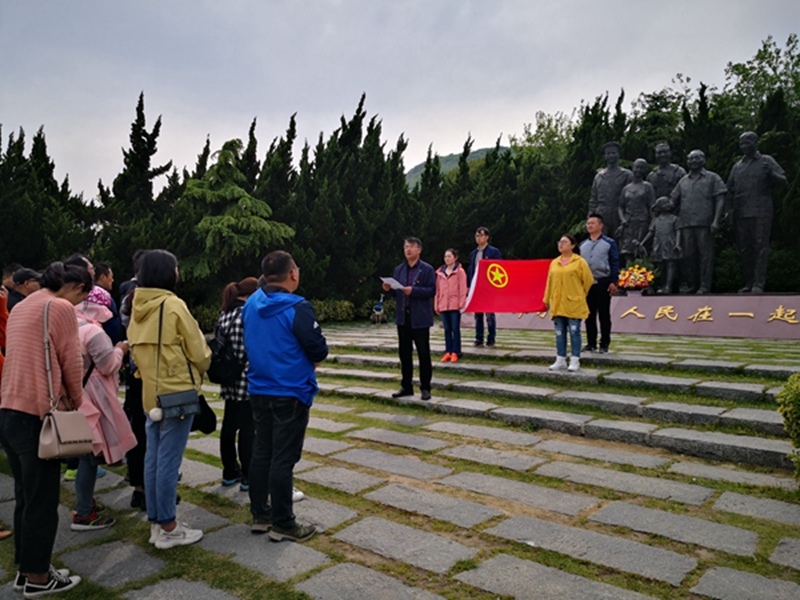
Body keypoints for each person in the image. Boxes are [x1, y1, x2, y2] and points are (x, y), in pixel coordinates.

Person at [0, 261, 90, 596]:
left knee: (25, 497)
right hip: (38, 415)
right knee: (42, 501)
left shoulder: (23, 305)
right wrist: (78, 403)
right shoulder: (60, 307)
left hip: (9, 409)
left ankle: (26, 570)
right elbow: (72, 360)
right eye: (83, 296)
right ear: (77, 287)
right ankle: (39, 579)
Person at [127, 250, 211, 550]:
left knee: (153, 457)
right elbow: (199, 352)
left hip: (150, 393)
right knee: (168, 461)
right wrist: (203, 366)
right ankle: (168, 526)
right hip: (176, 393)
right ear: (168, 272)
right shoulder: (173, 305)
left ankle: (157, 521)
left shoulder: (136, 305)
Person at [243, 251, 328, 542]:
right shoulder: (297, 307)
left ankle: (260, 513)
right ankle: (284, 523)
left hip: (259, 388)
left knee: (261, 452)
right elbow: (318, 348)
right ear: (293, 273)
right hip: (290, 391)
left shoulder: (251, 304)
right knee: (283, 458)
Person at [71, 290, 136, 531]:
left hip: (76, 393)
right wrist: (120, 350)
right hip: (95, 395)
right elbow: (108, 365)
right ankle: (83, 512)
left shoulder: (69, 326)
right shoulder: (93, 331)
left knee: (85, 454)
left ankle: (86, 503)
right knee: (89, 457)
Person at [726, 131, 787, 294]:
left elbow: (784, 182)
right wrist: (729, 211)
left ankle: (759, 283)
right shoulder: (737, 166)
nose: (744, 146)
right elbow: (730, 191)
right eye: (741, 143)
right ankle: (749, 282)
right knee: (744, 249)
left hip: (761, 211)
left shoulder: (766, 161)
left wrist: (772, 173)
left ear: (755, 142)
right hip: (741, 212)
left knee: (760, 246)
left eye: (747, 142)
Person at [216, 277, 258, 490]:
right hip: (246, 377)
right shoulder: (247, 314)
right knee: (248, 428)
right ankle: (248, 476)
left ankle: (229, 471)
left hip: (228, 376)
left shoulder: (224, 314)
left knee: (229, 425)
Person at [382, 237, 436, 400]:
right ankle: (406, 386)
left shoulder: (427, 269)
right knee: (404, 354)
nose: (408, 250)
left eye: (411, 247)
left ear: (419, 250)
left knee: (423, 353)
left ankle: (425, 387)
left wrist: (413, 291)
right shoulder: (400, 269)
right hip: (403, 317)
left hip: (420, 317)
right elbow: (397, 291)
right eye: (406, 247)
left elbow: (431, 290)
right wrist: (388, 289)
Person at [670, 149, 726, 294]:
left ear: (703, 160)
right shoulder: (683, 181)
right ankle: (691, 284)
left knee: (705, 256)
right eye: (691, 159)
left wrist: (716, 220)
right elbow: (673, 200)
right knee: (688, 256)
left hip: (704, 223)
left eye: (697, 158)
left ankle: (705, 286)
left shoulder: (712, 178)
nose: (693, 161)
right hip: (686, 223)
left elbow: (720, 199)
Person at [543, 235, 594, 372]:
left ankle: (575, 359)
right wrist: (547, 299)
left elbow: (588, 280)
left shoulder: (580, 262)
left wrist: (579, 294)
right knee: (559, 332)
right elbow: (549, 282)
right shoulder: (555, 263)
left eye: (564, 242)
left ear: (573, 245)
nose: (561, 244)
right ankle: (560, 359)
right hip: (558, 303)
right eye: (559, 242)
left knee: (574, 331)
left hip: (573, 303)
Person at [120, 250, 147, 509]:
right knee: (154, 434)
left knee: (137, 428)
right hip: (152, 376)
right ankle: (152, 491)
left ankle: (138, 485)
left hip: (133, 370)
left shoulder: (128, 297)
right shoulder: (162, 302)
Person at [580, 214, 620, 353]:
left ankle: (604, 344)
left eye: (592, 223)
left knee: (604, 315)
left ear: (600, 225)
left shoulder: (609, 243)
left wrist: (614, 281)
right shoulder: (583, 245)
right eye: (588, 223)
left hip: (604, 282)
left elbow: (614, 262)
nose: (589, 225)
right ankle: (591, 343)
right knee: (589, 315)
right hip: (587, 285)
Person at [588, 141, 633, 239]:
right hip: (602, 214)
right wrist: (590, 219)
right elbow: (593, 200)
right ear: (605, 156)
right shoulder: (599, 177)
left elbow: (631, 199)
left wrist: (627, 218)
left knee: (619, 242)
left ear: (618, 155)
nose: (611, 156)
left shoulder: (626, 175)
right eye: (608, 153)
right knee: (601, 242)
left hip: (618, 214)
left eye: (613, 153)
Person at [637, 197, 681, 294]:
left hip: (670, 243)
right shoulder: (656, 220)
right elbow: (651, 232)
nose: (668, 204)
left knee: (670, 264)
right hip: (658, 244)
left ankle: (669, 286)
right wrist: (642, 242)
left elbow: (678, 231)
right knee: (660, 266)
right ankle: (662, 285)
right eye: (665, 203)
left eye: (668, 202)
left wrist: (677, 244)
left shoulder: (674, 219)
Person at [467, 227, 502, 347]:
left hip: (489, 288)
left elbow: (499, 267)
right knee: (478, 314)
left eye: (481, 235)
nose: (479, 238)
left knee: (490, 314)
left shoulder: (493, 252)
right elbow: (470, 270)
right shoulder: (474, 253)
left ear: (487, 237)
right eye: (477, 236)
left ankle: (491, 338)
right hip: (476, 287)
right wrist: (469, 285)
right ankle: (479, 338)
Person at [617, 158, 655, 265]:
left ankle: (643, 273)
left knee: (640, 250)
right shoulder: (626, 188)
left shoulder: (648, 187)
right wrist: (623, 220)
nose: (638, 170)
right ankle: (628, 273)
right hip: (628, 224)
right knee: (627, 251)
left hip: (642, 222)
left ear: (645, 170)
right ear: (633, 168)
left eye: (641, 168)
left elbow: (652, 207)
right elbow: (620, 206)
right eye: (637, 167)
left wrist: (653, 223)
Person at [434, 248, 467, 363]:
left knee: (455, 329)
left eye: (449, 256)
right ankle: (448, 351)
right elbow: (438, 290)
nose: (447, 259)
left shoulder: (460, 272)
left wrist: (461, 302)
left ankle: (456, 352)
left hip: (454, 304)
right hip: (443, 304)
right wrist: (437, 304)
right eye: (445, 256)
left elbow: (463, 288)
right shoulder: (440, 273)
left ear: (455, 258)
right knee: (447, 329)